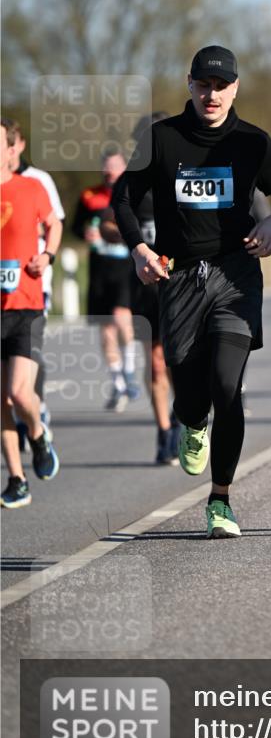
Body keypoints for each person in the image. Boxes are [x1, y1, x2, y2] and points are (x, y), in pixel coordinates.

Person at [112, 45, 271, 539]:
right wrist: (139, 249)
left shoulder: (252, 142)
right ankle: (191, 422)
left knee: (227, 385)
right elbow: (124, 198)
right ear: (190, 85)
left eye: (221, 86)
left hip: (235, 275)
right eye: (204, 85)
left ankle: (220, 501)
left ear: (235, 88)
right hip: (177, 278)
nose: (212, 95)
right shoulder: (162, 139)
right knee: (190, 393)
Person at [106, 112, 181, 464]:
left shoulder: (185, 173)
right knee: (156, 362)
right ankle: (164, 432)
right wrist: (123, 237)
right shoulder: (130, 181)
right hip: (146, 283)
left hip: (182, 280)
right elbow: (110, 221)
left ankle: (183, 417)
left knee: (180, 361)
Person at [1, 118, 62, 508]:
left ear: (10, 149)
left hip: (25, 303)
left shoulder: (31, 187)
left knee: (18, 392)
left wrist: (48, 255)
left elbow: (54, 224)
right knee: (0, 403)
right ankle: (17, 479)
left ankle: (37, 435)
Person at [73, 147, 139, 412]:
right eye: (105, 166)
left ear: (124, 168)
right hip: (100, 268)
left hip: (126, 266)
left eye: (114, 166)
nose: (109, 171)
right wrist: (85, 234)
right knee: (106, 328)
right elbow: (75, 226)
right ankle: (118, 383)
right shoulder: (90, 196)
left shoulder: (133, 192)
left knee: (122, 317)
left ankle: (130, 371)